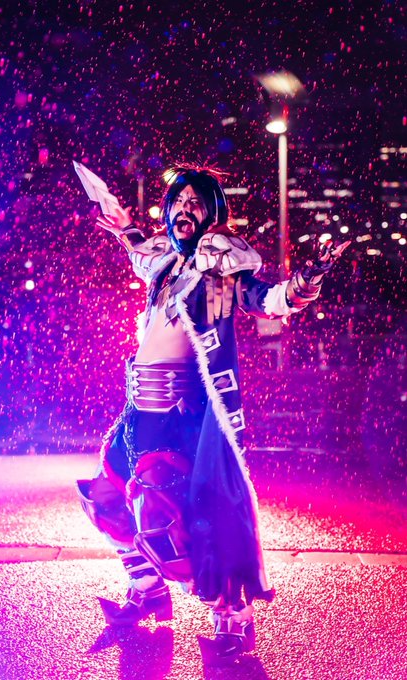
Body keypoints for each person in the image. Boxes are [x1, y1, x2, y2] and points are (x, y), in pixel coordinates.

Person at [77, 166, 349, 665]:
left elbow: (266, 300)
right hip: (138, 410)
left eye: (195, 203)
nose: (185, 209)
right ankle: (147, 590)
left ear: (212, 213)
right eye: (178, 202)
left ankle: (233, 617)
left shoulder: (218, 271)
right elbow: (140, 250)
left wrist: (306, 279)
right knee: (105, 498)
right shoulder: (165, 263)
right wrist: (122, 225)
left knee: (186, 524)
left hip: (181, 417)